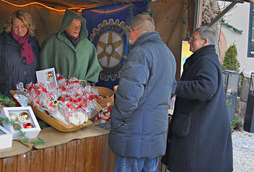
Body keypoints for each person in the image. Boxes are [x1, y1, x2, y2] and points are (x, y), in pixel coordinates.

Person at [109, 13, 176, 172]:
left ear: (132, 31)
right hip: (155, 135)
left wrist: (116, 118)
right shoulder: (168, 53)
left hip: (134, 136)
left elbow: (129, 96)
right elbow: (172, 89)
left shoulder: (141, 52)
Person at [162, 26, 233, 172]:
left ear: (205, 41)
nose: (189, 41)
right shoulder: (205, 59)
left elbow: (206, 88)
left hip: (198, 132)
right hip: (199, 127)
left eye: (193, 39)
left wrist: (175, 87)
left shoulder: (206, 60)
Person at [0, 10, 39, 98]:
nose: (20, 30)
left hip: (29, 95)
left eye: (23, 26)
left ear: (29, 26)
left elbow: (38, 67)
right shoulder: (0, 41)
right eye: (16, 26)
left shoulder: (33, 42)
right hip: (6, 94)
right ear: (11, 26)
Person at [40, 9, 102, 84]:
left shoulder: (88, 46)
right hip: (59, 90)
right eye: (73, 26)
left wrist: (88, 85)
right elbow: (44, 68)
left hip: (82, 91)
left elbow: (94, 69)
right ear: (66, 26)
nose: (77, 29)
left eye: (79, 26)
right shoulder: (51, 43)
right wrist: (51, 88)